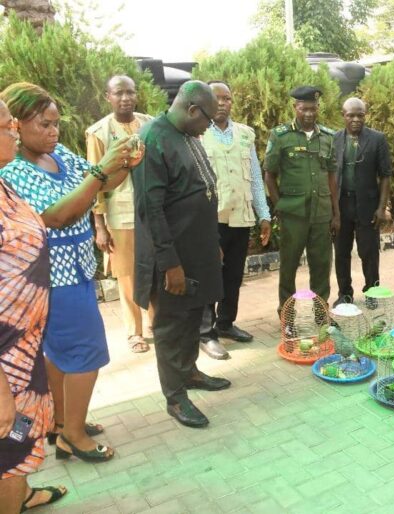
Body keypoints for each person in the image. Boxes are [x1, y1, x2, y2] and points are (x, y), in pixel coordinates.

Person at [0, 82, 137, 464]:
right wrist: (101, 172)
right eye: (43, 124)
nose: (53, 131)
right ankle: (73, 436)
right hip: (53, 278)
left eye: (56, 123)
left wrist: (122, 165)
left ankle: (62, 423)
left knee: (59, 355)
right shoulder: (14, 170)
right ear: (18, 123)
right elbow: (58, 216)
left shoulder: (58, 154)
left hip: (76, 269)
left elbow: (100, 180)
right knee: (86, 353)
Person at [132, 80, 230, 429]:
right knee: (172, 326)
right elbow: (150, 209)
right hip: (172, 257)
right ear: (192, 110)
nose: (210, 126)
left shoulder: (189, 135)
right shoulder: (153, 139)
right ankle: (175, 397)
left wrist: (211, 240)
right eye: (208, 118)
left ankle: (189, 373)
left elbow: (200, 192)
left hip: (197, 249)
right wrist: (170, 264)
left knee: (193, 318)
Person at [0, 99, 68, 514]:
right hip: (6, 362)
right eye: (3, 120)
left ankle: (22, 496)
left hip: (23, 349)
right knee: (8, 452)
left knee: (22, 440)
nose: (12, 125)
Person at [197, 81, 271, 360]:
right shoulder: (199, 134)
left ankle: (226, 323)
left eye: (227, 98)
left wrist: (263, 214)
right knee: (209, 275)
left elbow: (254, 176)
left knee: (233, 275)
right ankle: (205, 332)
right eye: (217, 98)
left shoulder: (245, 135)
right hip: (211, 219)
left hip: (241, 216)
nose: (222, 103)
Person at [87, 75, 154, 354]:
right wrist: (100, 226)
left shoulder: (149, 124)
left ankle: (156, 323)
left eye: (130, 92)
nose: (125, 97)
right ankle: (133, 332)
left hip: (150, 211)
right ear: (108, 97)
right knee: (126, 275)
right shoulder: (98, 132)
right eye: (119, 93)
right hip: (120, 214)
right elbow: (94, 180)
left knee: (153, 268)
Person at [264, 86, 340, 314]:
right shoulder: (281, 136)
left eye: (313, 109)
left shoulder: (328, 136)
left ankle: (320, 314)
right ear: (294, 108)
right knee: (288, 267)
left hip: (321, 214)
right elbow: (269, 174)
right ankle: (286, 314)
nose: (309, 113)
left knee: (321, 267)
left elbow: (331, 176)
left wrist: (336, 213)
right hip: (293, 215)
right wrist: (280, 206)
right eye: (304, 109)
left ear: (318, 108)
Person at [332, 97, 392, 307]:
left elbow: (385, 175)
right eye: (351, 115)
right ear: (344, 116)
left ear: (365, 115)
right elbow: (329, 176)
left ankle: (372, 291)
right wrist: (332, 210)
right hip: (341, 206)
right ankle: (344, 293)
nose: (356, 119)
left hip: (368, 206)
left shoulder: (377, 139)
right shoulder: (335, 139)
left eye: (360, 115)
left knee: (369, 251)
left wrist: (381, 208)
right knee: (341, 251)